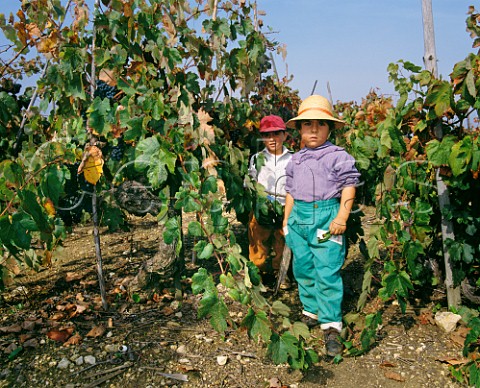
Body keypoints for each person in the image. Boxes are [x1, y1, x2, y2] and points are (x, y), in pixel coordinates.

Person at [282, 95, 360, 357]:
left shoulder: (338, 156)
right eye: (307, 124)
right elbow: (291, 191)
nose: (313, 130)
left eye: (320, 124)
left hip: (326, 216)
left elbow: (349, 185)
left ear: (329, 129)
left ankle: (331, 324)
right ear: (299, 129)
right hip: (299, 219)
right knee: (302, 267)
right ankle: (311, 310)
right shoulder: (296, 159)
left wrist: (342, 217)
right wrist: (286, 221)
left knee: (326, 270)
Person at [248, 115, 292, 285]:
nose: (272, 139)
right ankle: (257, 273)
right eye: (267, 135)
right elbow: (251, 181)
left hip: (284, 207)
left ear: (285, 135)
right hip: (262, 207)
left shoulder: (293, 159)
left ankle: (280, 274)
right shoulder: (257, 158)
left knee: (281, 241)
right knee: (258, 241)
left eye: (276, 134)